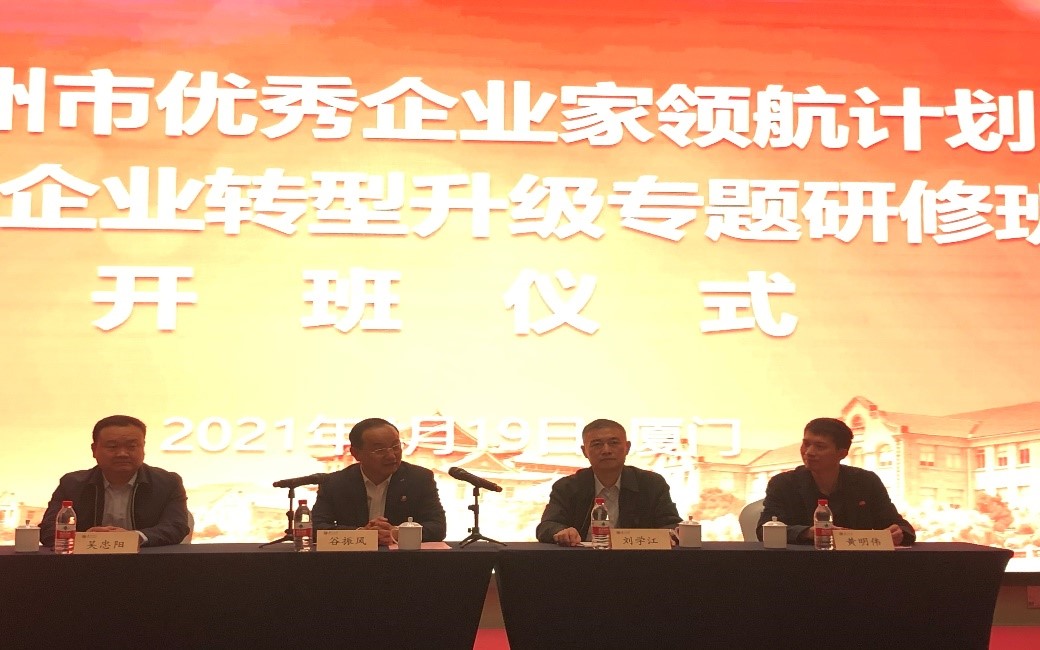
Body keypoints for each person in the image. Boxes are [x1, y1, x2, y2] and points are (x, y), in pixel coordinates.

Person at [756, 417, 916, 545]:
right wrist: (808, 533)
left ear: (842, 453)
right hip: (801, 564)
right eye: (806, 444)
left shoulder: (866, 481)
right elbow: (764, 530)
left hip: (857, 565)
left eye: (820, 446)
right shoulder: (783, 483)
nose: (809, 452)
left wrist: (899, 533)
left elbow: (901, 526)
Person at [38, 414, 191, 547]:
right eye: (112, 447)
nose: (122, 453)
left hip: (146, 562)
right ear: (94, 450)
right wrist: (85, 537)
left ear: (143, 447)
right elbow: (48, 530)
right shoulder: (72, 484)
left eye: (132, 446)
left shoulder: (168, 483)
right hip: (85, 563)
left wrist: (134, 538)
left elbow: (176, 526)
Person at [537, 418, 682, 545]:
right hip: (581, 561)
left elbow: (672, 525)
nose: (606, 450)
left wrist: (666, 535)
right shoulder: (567, 487)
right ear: (584, 451)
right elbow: (546, 526)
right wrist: (561, 531)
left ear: (627, 447)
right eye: (597, 444)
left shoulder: (651, 484)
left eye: (613, 443)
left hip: (638, 560)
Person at [312, 418, 447, 545]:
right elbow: (317, 528)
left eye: (395, 446)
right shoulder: (335, 483)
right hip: (352, 559)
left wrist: (396, 533)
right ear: (356, 453)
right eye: (380, 450)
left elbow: (438, 527)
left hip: (403, 559)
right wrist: (362, 534)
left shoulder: (419, 479)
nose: (391, 455)